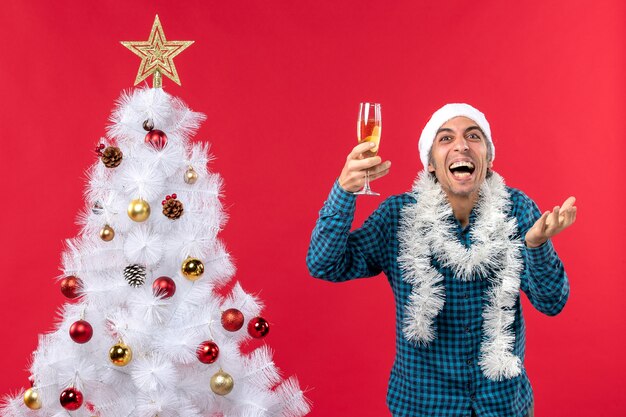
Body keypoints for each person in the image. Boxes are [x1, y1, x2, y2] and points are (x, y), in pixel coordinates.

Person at [306, 103, 576, 417]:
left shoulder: (517, 210)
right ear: (430, 164)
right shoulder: (398, 216)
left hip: (504, 406)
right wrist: (344, 192)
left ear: (488, 160)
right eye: (445, 139)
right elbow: (324, 264)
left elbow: (552, 302)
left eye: (473, 136)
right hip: (424, 407)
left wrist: (537, 245)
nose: (461, 145)